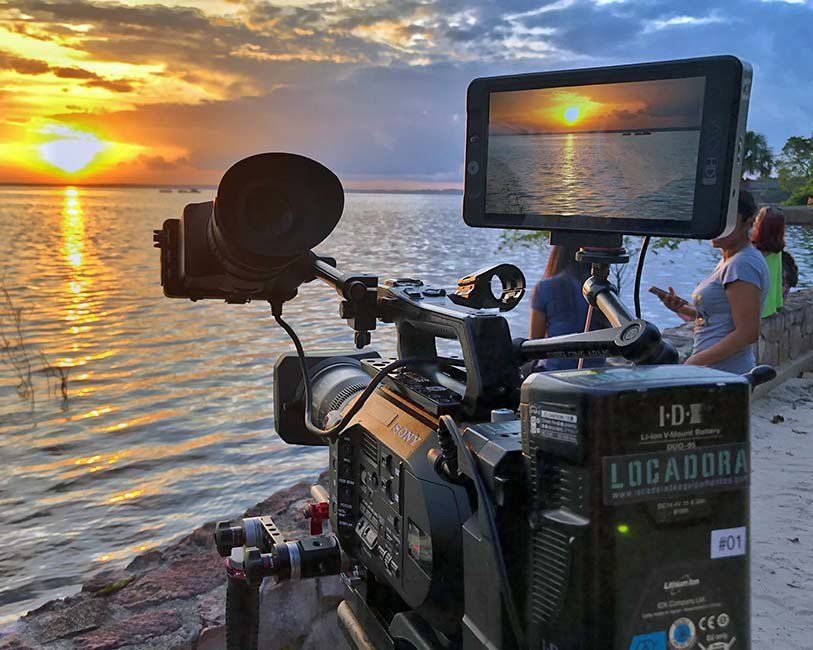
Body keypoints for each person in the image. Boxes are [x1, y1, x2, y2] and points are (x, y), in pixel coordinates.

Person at [654, 190, 769, 374]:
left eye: (726, 219)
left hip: (725, 374)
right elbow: (720, 317)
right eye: (712, 217)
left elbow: (747, 332)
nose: (716, 225)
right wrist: (681, 308)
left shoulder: (742, 264)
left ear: (747, 222)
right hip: (715, 372)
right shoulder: (730, 260)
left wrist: (695, 361)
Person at [529, 245, 604, 371]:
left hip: (557, 371)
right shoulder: (602, 291)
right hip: (597, 371)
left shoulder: (545, 287)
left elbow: (535, 343)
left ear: (557, 255)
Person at [750, 206, 785, 317]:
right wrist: (778, 304)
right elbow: (777, 281)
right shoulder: (777, 251)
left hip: (753, 311)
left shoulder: (750, 251)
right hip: (769, 308)